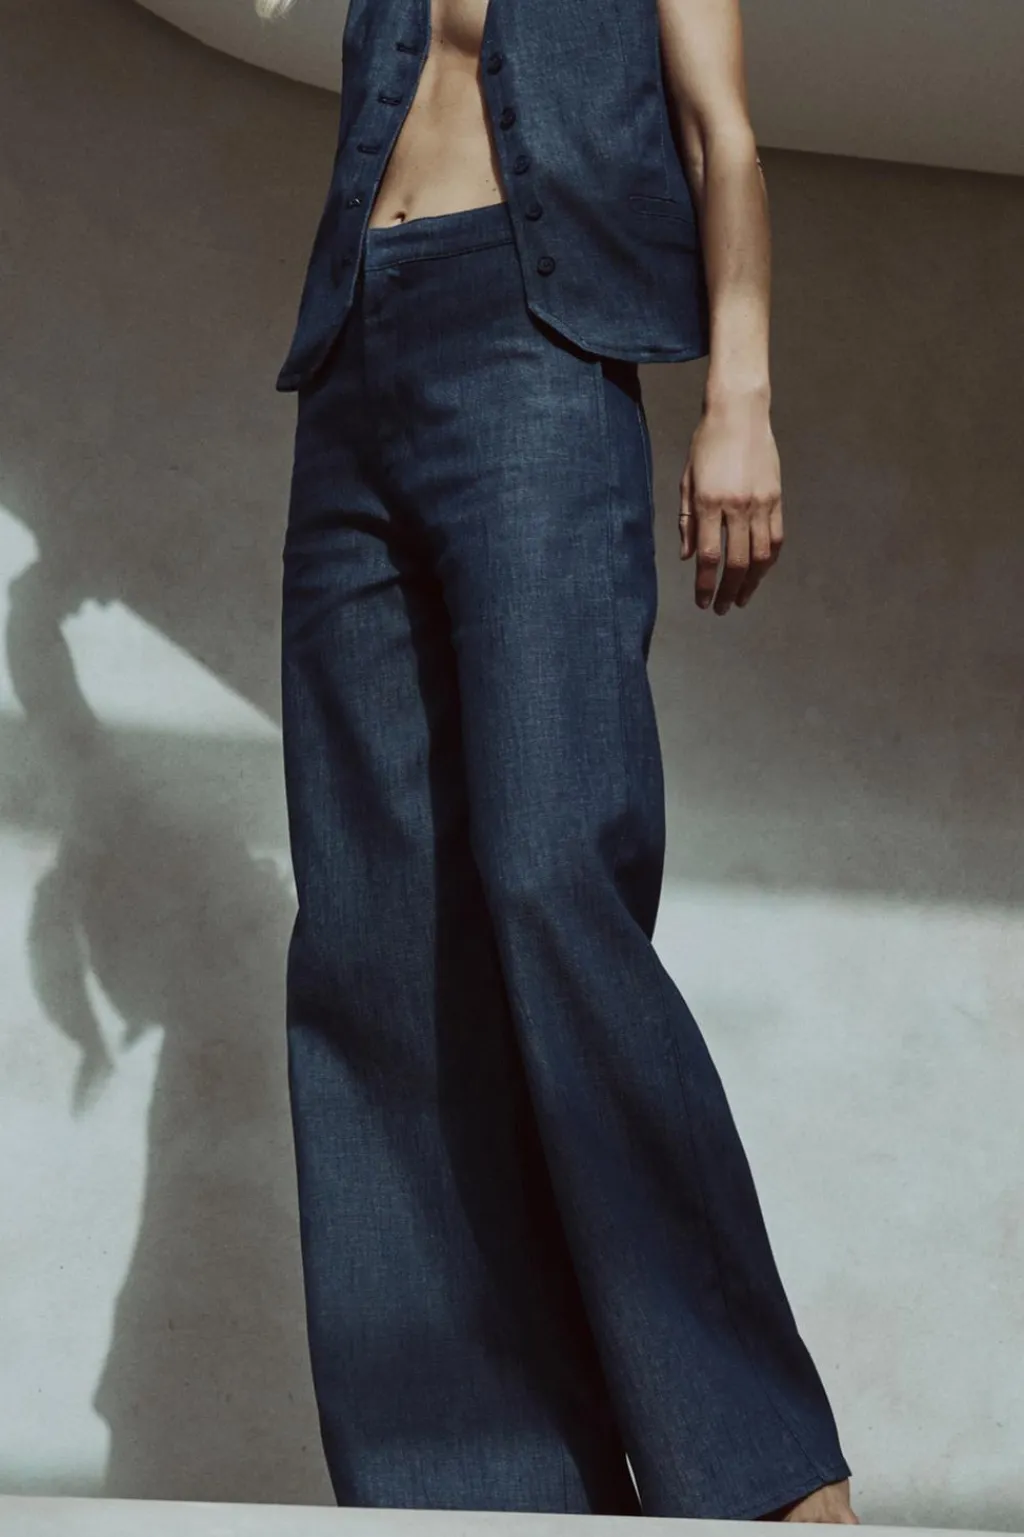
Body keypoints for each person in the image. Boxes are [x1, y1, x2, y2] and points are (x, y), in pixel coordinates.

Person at [265, 0, 859, 1521]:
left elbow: (725, 136)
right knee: (371, 946)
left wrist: (739, 401)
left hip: (532, 353)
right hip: (354, 367)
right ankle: (476, 1490)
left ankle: (757, 1469)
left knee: (550, 876)